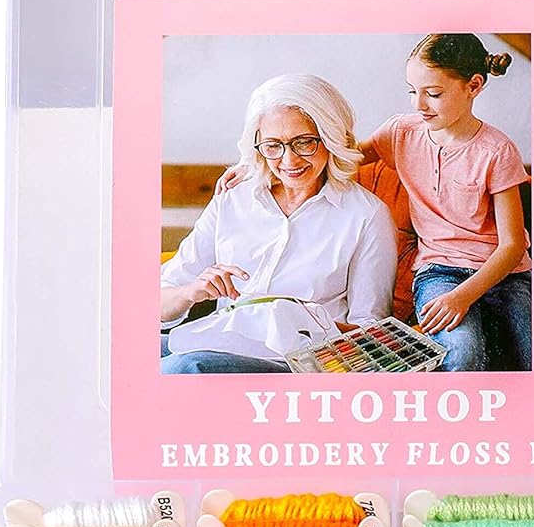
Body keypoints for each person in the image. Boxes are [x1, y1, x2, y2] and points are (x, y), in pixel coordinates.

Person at [161, 75, 396, 373]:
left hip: (292, 362)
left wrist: (305, 323)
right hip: (217, 339)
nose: (289, 160)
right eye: (273, 145)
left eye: (304, 142)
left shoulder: (366, 215)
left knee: (184, 367)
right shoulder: (233, 198)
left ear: (331, 137)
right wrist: (191, 291)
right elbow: (159, 303)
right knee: (129, 349)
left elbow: (371, 332)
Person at [363, 34, 531, 371]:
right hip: (438, 271)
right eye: (412, 91)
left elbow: (512, 245)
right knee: (462, 354)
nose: (419, 104)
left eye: (433, 94)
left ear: (473, 86)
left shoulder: (497, 151)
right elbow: (341, 158)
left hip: (506, 275)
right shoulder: (401, 133)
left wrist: (463, 297)